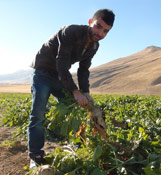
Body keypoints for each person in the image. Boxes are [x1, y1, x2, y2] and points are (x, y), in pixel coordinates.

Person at [28, 8, 115, 168]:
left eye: (105, 31)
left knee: (77, 108)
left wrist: (86, 93)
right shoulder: (70, 31)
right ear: (90, 22)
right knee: (38, 113)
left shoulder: (94, 46)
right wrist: (75, 92)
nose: (100, 33)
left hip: (60, 76)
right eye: (98, 26)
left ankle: (75, 143)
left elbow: (83, 70)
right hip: (43, 71)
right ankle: (36, 156)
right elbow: (61, 63)